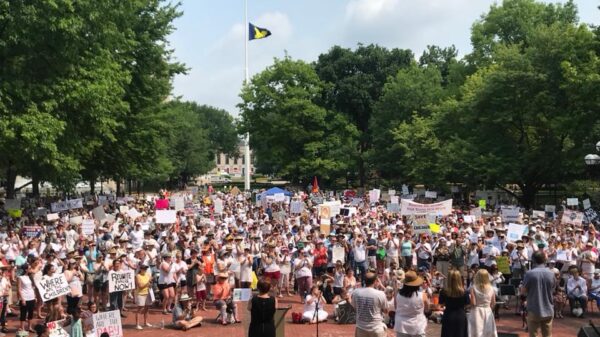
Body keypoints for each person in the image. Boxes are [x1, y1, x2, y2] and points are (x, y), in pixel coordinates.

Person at [522, 251, 555, 336]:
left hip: (533, 308)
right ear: (545, 260)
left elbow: (523, 291)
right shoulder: (551, 273)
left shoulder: (529, 274)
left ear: (533, 260)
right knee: (548, 335)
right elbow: (553, 288)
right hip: (548, 308)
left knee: (534, 335)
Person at [351, 271, 387, 337]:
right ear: (375, 281)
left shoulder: (356, 292)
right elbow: (385, 310)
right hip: (376, 328)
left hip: (361, 327)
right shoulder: (380, 294)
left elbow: (354, 307)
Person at [394, 270, 428, 337]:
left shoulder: (398, 294)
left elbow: (396, 307)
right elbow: (427, 309)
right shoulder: (422, 295)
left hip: (401, 326)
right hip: (418, 326)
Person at [468, 269, 497, 337]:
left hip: (476, 311)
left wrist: (468, 306)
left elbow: (473, 303)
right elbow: (493, 302)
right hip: (487, 311)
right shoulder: (492, 288)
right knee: (488, 332)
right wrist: (489, 308)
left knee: (476, 332)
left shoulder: (473, 288)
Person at [440, 270, 467, 337]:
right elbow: (467, 305)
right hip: (461, 316)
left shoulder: (444, 292)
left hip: (448, 316)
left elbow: (441, 304)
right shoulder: (464, 292)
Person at [17, 263, 36, 332]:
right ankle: (22, 328)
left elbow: (32, 288)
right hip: (25, 298)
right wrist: (22, 299)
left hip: (31, 297)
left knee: (31, 313)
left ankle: (29, 327)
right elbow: (19, 289)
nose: (31, 269)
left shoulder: (30, 277)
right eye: (29, 268)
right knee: (23, 313)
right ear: (26, 269)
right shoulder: (20, 277)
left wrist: (35, 296)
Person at [134, 264, 153, 330]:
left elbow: (149, 285)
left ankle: (145, 322)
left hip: (148, 293)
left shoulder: (147, 275)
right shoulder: (137, 276)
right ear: (140, 269)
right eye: (144, 269)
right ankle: (137, 324)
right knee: (140, 309)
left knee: (147, 308)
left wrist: (150, 284)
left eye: (146, 269)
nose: (145, 270)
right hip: (140, 294)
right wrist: (148, 283)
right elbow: (140, 286)